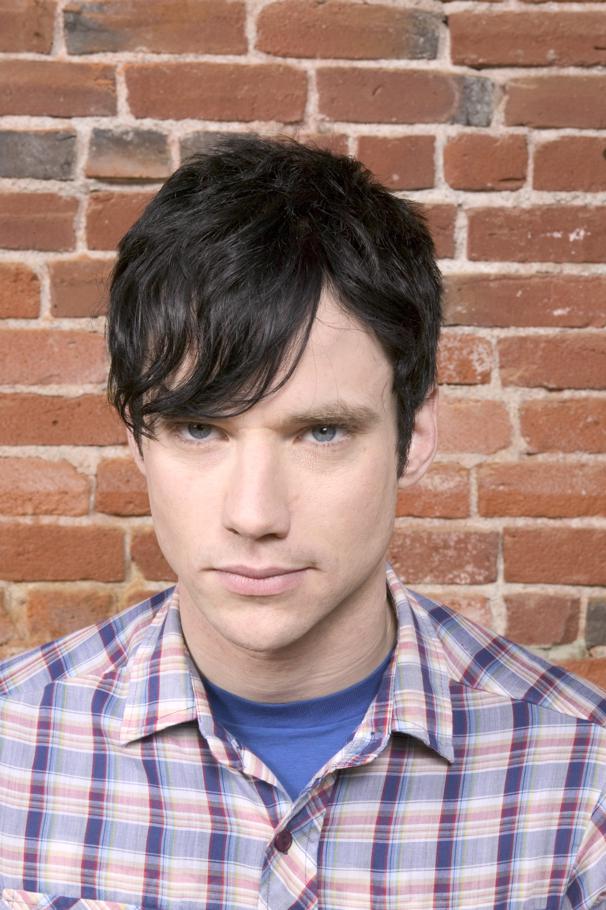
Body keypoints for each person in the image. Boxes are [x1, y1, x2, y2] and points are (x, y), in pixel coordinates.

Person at [1, 135, 605, 910]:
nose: (254, 514)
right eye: (199, 429)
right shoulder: (14, 749)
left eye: (321, 432)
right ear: (137, 441)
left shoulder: (581, 782)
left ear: (415, 434)